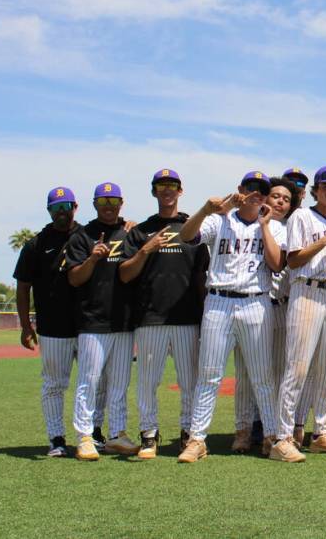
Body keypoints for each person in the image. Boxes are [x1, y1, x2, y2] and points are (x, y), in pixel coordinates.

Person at [176, 171, 286, 463]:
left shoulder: (274, 226)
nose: (256, 195)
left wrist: (264, 225)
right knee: (209, 376)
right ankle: (197, 439)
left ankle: (274, 438)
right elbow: (186, 237)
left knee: (262, 377)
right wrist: (205, 209)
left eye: (261, 192)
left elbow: (277, 265)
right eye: (251, 189)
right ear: (239, 190)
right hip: (219, 302)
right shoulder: (219, 219)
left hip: (255, 302)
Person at [119, 169, 208, 459]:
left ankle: (187, 432)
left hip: (186, 318)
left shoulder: (191, 229)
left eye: (172, 186)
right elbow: (125, 274)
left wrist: (204, 318)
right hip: (150, 319)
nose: (167, 190)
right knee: (147, 380)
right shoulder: (141, 230)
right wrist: (145, 250)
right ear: (154, 191)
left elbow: (201, 278)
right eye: (161, 186)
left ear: (180, 191)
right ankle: (148, 434)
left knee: (190, 381)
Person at [271, 166, 326, 462]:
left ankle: (320, 433)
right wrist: (325, 239)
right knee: (297, 368)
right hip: (305, 291)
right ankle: (281, 438)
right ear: (316, 190)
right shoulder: (301, 216)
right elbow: (293, 261)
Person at [66, 182, 136, 460]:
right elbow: (74, 278)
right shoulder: (83, 236)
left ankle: (117, 434)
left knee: (119, 382)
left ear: (121, 203)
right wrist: (93, 259)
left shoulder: (131, 232)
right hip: (93, 321)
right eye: (103, 202)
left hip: (124, 321)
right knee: (89, 381)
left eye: (113, 201)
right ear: (95, 205)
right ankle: (84, 435)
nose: (108, 207)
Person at [232, 177, 301, 452]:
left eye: (286, 199)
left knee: (275, 373)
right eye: (276, 196)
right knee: (246, 374)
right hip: (254, 304)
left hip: (282, 306)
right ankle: (244, 429)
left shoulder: (290, 228)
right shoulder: (246, 224)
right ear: (265, 198)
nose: (281, 202)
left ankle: (269, 429)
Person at [14, 187, 82, 457]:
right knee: (54, 384)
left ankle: (91, 435)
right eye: (56, 208)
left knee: (94, 383)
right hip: (53, 327)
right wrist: (25, 326)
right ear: (49, 210)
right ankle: (56, 438)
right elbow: (23, 287)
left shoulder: (87, 235)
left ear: (75, 207)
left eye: (66, 206)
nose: (62, 212)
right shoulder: (35, 245)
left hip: (88, 324)